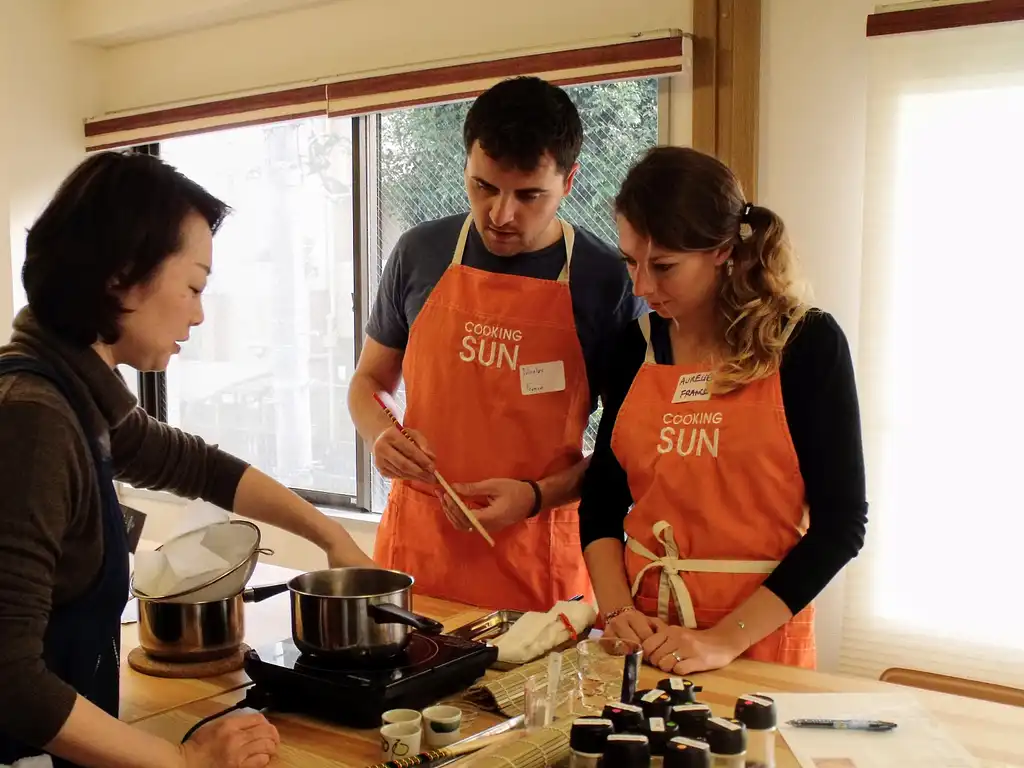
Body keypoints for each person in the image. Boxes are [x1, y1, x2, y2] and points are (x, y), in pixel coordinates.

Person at [0, 151, 377, 768]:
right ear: (123, 274)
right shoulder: (31, 420)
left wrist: (327, 535)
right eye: (195, 285)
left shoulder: (75, 395)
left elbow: (198, 467)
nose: (200, 313)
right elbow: (10, 681)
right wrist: (183, 762)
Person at [348, 76, 645, 612]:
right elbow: (369, 382)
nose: (501, 215)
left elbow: (624, 449)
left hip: (538, 556)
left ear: (570, 181)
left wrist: (535, 497)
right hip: (420, 546)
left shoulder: (606, 280)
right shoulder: (421, 253)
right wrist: (378, 436)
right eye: (484, 187)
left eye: (529, 195)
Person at [577, 146, 868, 675]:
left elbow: (841, 526)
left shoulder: (805, 345)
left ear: (721, 250)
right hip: (642, 636)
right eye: (630, 263)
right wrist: (618, 609)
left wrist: (721, 641)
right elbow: (600, 502)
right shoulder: (633, 348)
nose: (642, 287)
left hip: (755, 639)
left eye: (664, 267)